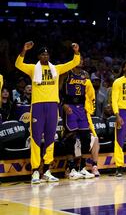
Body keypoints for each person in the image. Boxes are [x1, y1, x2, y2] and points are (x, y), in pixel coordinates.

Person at [15, 42, 80, 184]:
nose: (45, 56)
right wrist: (24, 50)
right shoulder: (33, 69)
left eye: (47, 54)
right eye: (42, 54)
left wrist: (76, 51)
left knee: (51, 138)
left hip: (52, 105)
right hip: (38, 106)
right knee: (36, 138)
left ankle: (47, 171)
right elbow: (18, 64)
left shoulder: (55, 69)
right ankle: (35, 171)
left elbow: (74, 62)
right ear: (38, 56)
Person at [60, 60, 95, 179]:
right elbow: (57, 90)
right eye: (78, 58)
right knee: (71, 137)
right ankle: (71, 168)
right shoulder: (66, 73)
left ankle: (82, 167)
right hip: (70, 106)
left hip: (82, 108)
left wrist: (89, 107)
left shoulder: (85, 74)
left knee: (86, 137)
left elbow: (89, 93)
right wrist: (63, 104)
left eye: (82, 59)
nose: (81, 61)